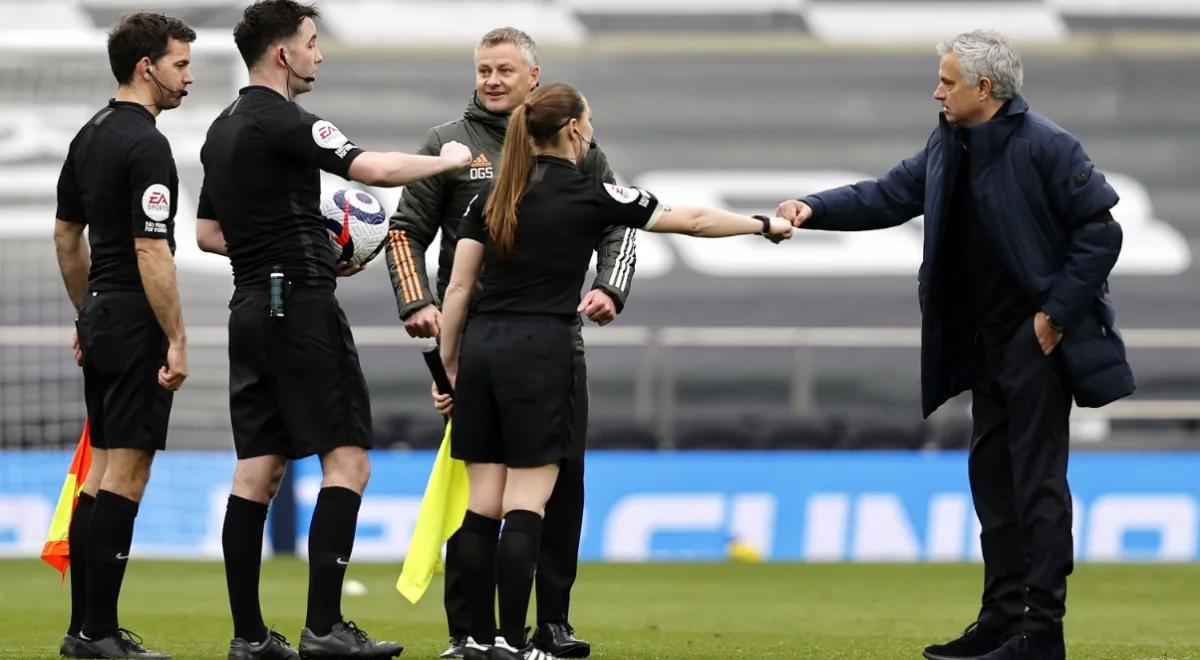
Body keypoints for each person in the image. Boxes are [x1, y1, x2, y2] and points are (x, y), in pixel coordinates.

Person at [775, 30, 1134, 660]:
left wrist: (1053, 315)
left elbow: (1101, 234)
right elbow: (888, 194)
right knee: (992, 482)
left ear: (984, 89)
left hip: (1035, 342)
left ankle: (1040, 631)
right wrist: (812, 207)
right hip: (982, 344)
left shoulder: (1049, 145)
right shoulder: (949, 142)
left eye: (947, 81)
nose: (936, 91)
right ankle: (1000, 620)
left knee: (1038, 484)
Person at [437, 82, 792, 660]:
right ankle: (512, 640)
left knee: (482, 506)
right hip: (541, 349)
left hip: (483, 349)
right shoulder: (594, 195)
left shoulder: (493, 197)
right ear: (575, 128)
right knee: (527, 502)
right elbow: (694, 221)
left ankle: (470, 641)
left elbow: (457, 287)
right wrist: (762, 225)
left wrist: (447, 367)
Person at [193, 1, 470, 658]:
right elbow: (370, 168)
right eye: (312, 43)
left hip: (251, 306)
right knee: (347, 461)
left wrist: (281, 249)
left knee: (256, 471)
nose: (319, 54)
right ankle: (324, 627)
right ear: (283, 53)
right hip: (301, 309)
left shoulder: (222, 127)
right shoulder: (284, 120)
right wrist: (448, 161)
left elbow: (207, 235)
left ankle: (250, 637)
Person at [385, 27, 633, 659]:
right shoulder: (448, 145)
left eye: (504, 70)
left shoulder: (576, 144)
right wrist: (418, 304)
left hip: (553, 342)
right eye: (483, 70)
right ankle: (467, 632)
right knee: (482, 496)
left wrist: (610, 288)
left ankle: (552, 623)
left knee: (560, 490)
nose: (491, 80)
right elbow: (404, 232)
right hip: (474, 347)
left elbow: (621, 231)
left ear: (533, 77)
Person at [52, 12, 194, 660]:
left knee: (101, 469)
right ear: (147, 67)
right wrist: (176, 335)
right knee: (126, 475)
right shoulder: (147, 145)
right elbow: (151, 247)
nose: (187, 77)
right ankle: (100, 633)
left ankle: (84, 630)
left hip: (103, 314)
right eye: (180, 65)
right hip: (137, 319)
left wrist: (88, 313)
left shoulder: (89, 135)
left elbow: (66, 237)